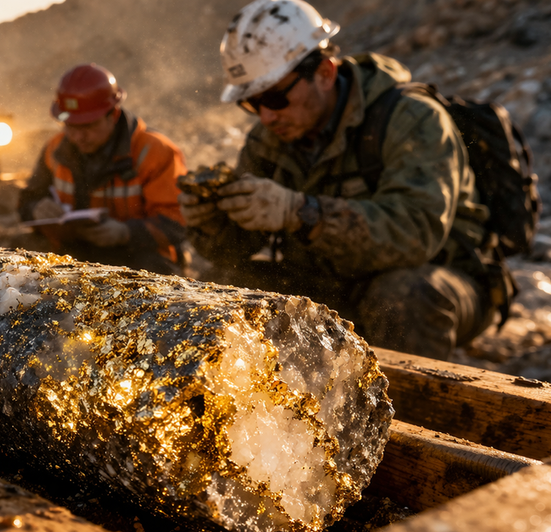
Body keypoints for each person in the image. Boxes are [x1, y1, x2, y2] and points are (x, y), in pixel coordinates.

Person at [180, 0, 507, 360]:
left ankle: (416, 409)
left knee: (401, 295)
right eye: (253, 103)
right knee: (226, 286)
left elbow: (415, 234)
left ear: (324, 73)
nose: (267, 116)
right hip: (331, 281)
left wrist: (300, 212)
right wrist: (210, 224)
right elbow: (240, 248)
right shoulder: (270, 138)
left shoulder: (412, 119)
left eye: (275, 96)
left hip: (438, 280)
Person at [18, 64, 187, 275]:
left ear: (113, 115)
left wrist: (126, 232)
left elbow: (178, 222)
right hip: (73, 255)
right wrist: (36, 208)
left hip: (142, 261)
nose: (78, 136)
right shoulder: (54, 148)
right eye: (71, 125)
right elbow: (27, 200)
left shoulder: (155, 151)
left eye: (88, 126)